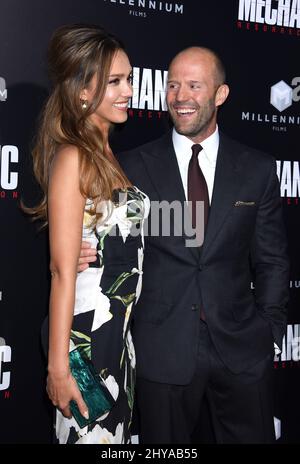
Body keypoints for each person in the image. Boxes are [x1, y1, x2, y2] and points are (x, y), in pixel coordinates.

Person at [79, 47, 289, 443]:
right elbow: (108, 238)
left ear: (220, 95)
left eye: (194, 85)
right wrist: (80, 250)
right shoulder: (131, 167)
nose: (180, 96)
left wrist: (270, 332)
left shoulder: (257, 169)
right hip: (162, 350)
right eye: (172, 84)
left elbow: (273, 260)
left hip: (242, 350)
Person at [29, 24, 149, 444]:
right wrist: (58, 368)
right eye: (114, 81)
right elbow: (62, 272)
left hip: (119, 342)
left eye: (129, 79)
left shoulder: (108, 153)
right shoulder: (73, 156)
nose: (128, 90)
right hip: (86, 342)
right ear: (82, 91)